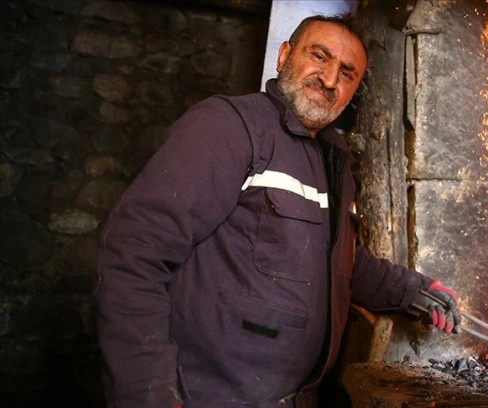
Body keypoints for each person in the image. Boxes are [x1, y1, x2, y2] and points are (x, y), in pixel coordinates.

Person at [93, 14, 461, 408]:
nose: (330, 79)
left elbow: (340, 264)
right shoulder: (230, 128)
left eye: (347, 74)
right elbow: (134, 254)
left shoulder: (332, 159)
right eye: (319, 57)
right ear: (284, 55)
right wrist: (148, 394)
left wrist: (414, 290)